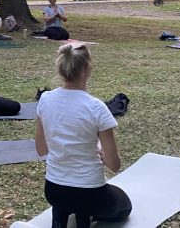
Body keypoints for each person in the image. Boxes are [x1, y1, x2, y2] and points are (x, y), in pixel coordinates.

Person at [35, 43, 132, 228]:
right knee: (124, 206)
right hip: (90, 193)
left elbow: (41, 149)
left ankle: (62, 216)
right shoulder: (96, 108)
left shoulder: (45, 99)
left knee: (68, 198)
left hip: (54, 190)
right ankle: (83, 215)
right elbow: (114, 165)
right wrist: (101, 151)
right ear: (87, 69)